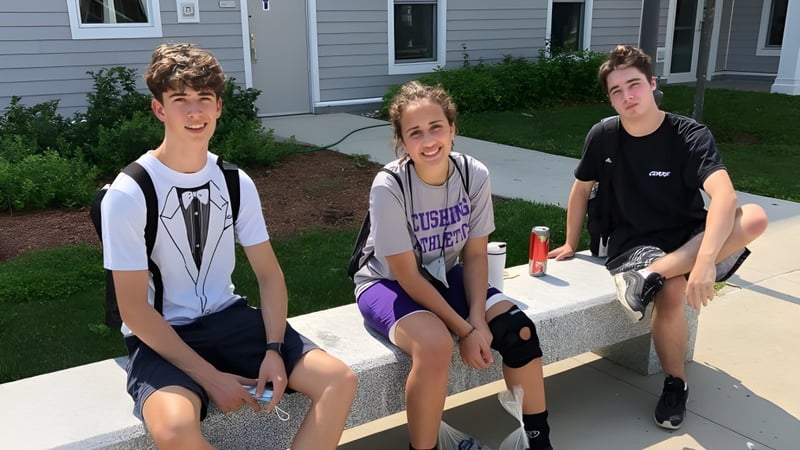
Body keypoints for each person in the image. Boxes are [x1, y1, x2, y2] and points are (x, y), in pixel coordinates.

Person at [100, 43, 356, 450]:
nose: (194, 112)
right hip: (162, 334)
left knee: (338, 380)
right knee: (175, 432)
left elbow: (269, 276)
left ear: (219, 106)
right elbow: (133, 309)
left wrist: (273, 348)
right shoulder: (130, 192)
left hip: (229, 318)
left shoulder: (235, 182)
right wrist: (211, 377)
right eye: (180, 100)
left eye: (204, 99)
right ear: (159, 109)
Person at [548, 44, 768, 430]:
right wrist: (569, 242)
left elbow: (725, 195)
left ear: (652, 84)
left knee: (753, 217)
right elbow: (580, 189)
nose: (627, 96)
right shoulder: (605, 135)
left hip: (686, 237)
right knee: (671, 293)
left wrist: (703, 263)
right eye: (617, 91)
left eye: (634, 85)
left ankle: (653, 275)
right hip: (633, 242)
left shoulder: (687, 133)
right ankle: (675, 383)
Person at [352, 81, 553, 450]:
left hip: (444, 275)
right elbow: (407, 276)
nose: (428, 141)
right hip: (386, 283)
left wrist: (478, 318)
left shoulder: (472, 174)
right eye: (415, 133)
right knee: (435, 345)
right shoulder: (389, 186)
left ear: (453, 129)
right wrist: (464, 330)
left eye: (436, 127)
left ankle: (538, 441)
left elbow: (475, 255)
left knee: (518, 330)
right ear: (402, 141)